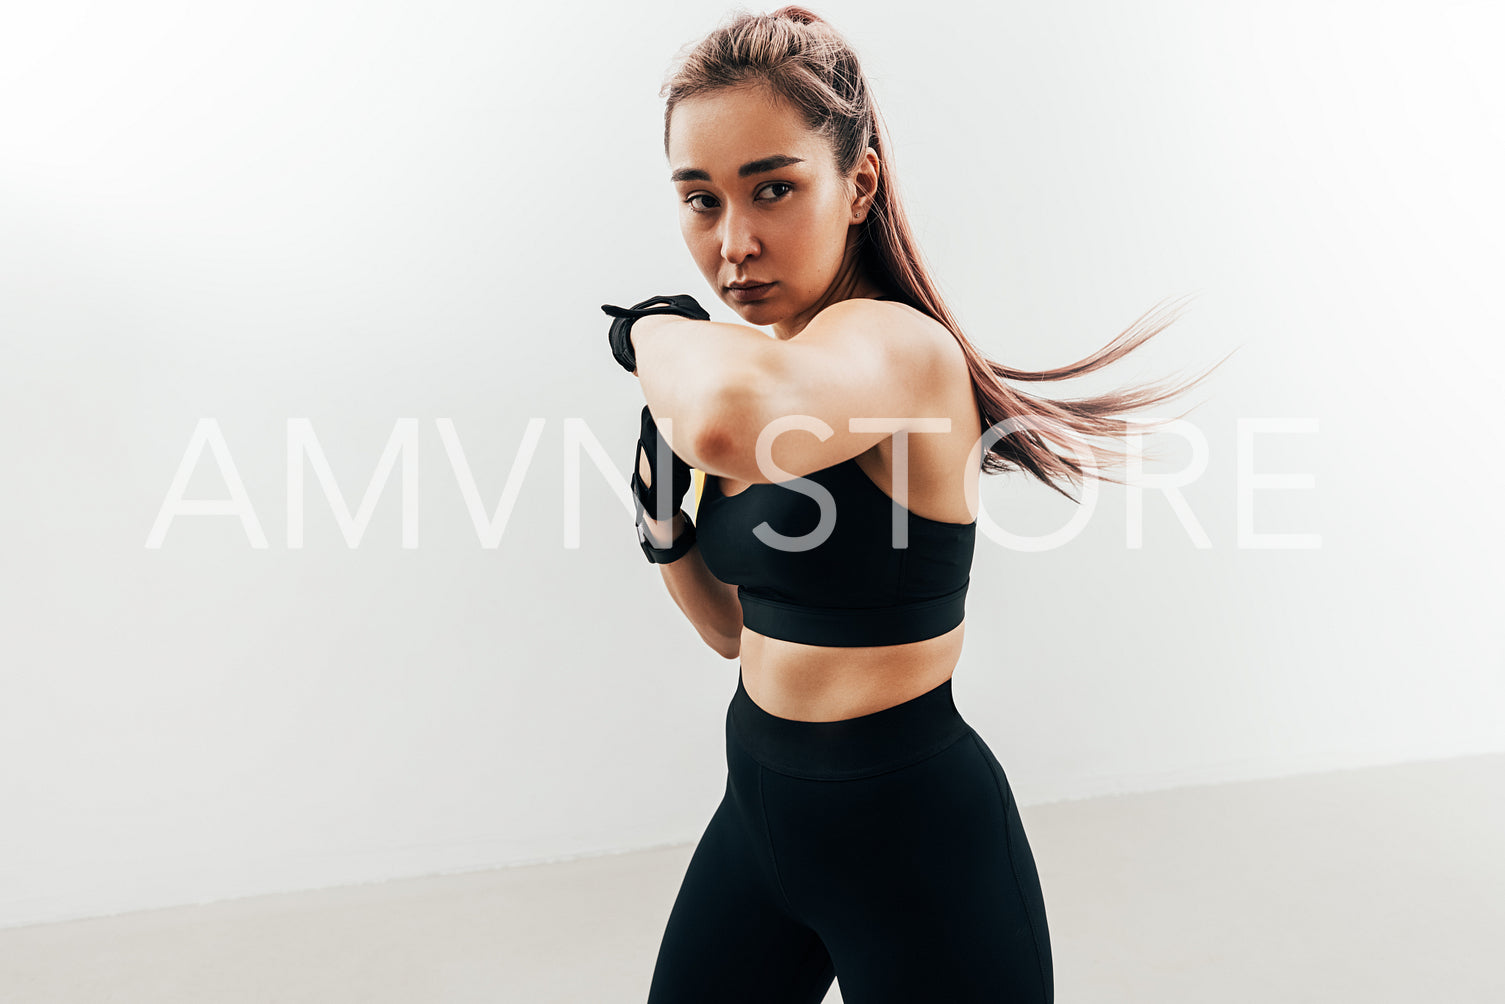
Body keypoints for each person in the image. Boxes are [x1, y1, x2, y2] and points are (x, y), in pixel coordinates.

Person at [603, 7, 1227, 1002]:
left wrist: (648, 331)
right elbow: (731, 630)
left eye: (772, 187)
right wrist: (663, 524)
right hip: (760, 816)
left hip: (911, 843)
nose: (734, 244)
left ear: (857, 182)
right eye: (699, 199)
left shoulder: (896, 349)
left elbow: (721, 417)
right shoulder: (785, 374)